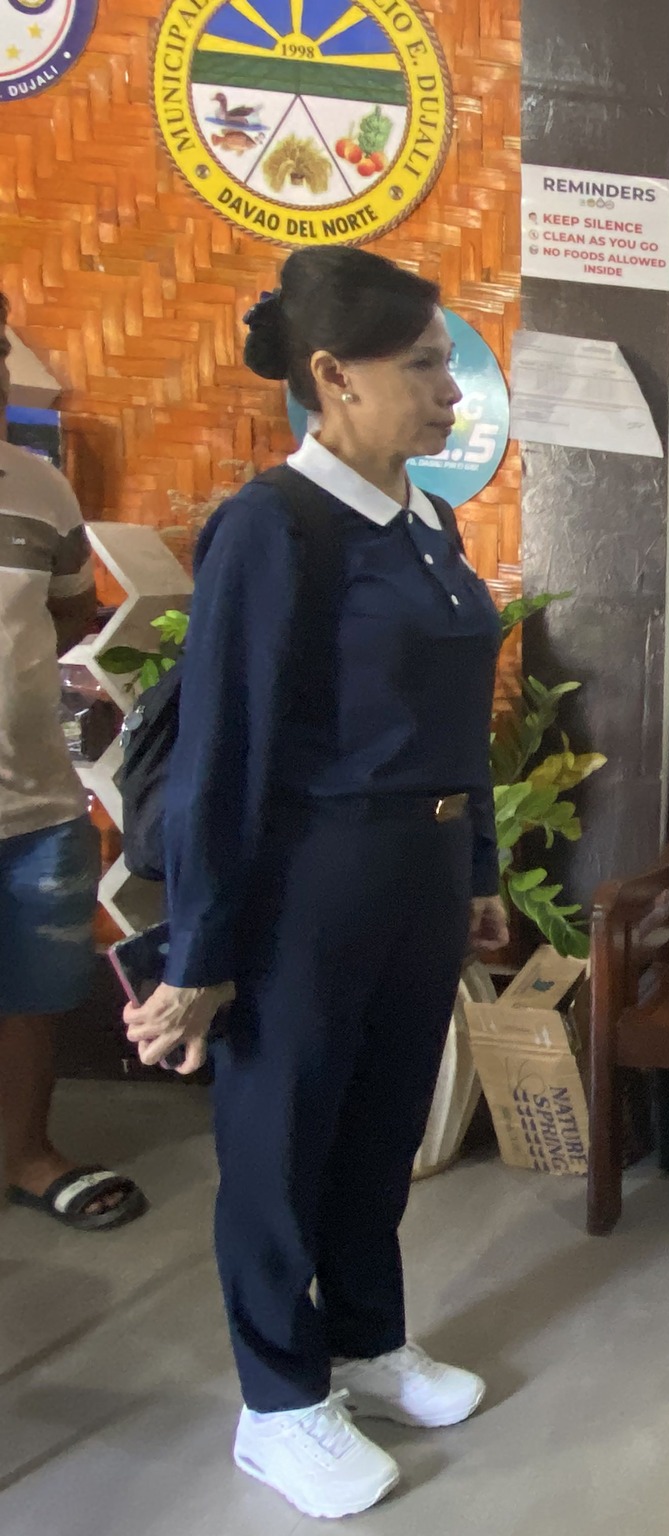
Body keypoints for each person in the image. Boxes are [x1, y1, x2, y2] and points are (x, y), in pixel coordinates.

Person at [121, 248, 509, 1519]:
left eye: (445, 366)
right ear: (333, 379)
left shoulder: (431, 525)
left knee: (380, 1126)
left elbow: (463, 716)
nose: (448, 391)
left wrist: (482, 868)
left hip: (420, 869)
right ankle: (280, 1406)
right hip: (310, 881)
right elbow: (224, 751)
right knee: (281, 1142)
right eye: (424, 368)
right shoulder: (271, 528)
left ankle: (368, 1342)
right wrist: (200, 953)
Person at [0, 293, 151, 1233]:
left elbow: (66, 615)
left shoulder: (40, 489)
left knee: (34, 990)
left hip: (34, 803)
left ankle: (25, 1154)